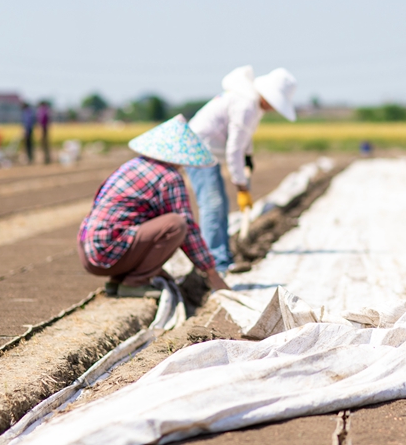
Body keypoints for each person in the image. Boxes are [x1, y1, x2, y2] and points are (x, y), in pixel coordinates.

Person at [77, 115, 229, 297]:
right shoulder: (169, 177)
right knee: (176, 224)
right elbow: (187, 229)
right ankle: (134, 283)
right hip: (108, 253)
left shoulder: (133, 165)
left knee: (145, 221)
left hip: (88, 250)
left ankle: (118, 281)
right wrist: (212, 273)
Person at [187, 66, 297, 274]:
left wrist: (248, 157)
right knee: (213, 204)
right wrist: (241, 186)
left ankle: (221, 257)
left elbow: (243, 140)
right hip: (198, 149)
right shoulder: (246, 104)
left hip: (205, 149)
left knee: (219, 203)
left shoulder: (250, 103)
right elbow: (234, 149)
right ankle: (214, 263)